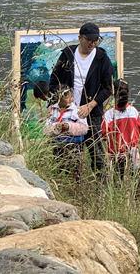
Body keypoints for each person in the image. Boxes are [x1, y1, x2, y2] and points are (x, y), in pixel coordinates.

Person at [48, 22, 114, 173]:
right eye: (89, 39)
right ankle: (67, 182)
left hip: (92, 113)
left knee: (96, 152)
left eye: (96, 40)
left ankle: (100, 183)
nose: (92, 43)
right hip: (68, 112)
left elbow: (108, 87)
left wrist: (91, 105)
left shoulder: (102, 58)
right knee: (66, 151)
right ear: (80, 38)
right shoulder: (67, 54)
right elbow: (54, 81)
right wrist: (58, 103)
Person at [43, 84, 89, 179]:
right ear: (60, 98)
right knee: (59, 167)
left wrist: (68, 127)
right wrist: (56, 127)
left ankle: (75, 185)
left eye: (72, 97)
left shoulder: (77, 110)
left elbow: (84, 128)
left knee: (74, 168)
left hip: (74, 145)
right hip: (57, 145)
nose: (71, 99)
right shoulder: (52, 110)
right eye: (67, 97)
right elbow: (46, 129)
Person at [102, 79, 140, 177]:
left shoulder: (109, 114)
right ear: (128, 93)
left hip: (115, 153)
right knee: (136, 179)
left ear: (113, 93)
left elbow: (104, 134)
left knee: (117, 181)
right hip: (133, 152)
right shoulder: (134, 111)